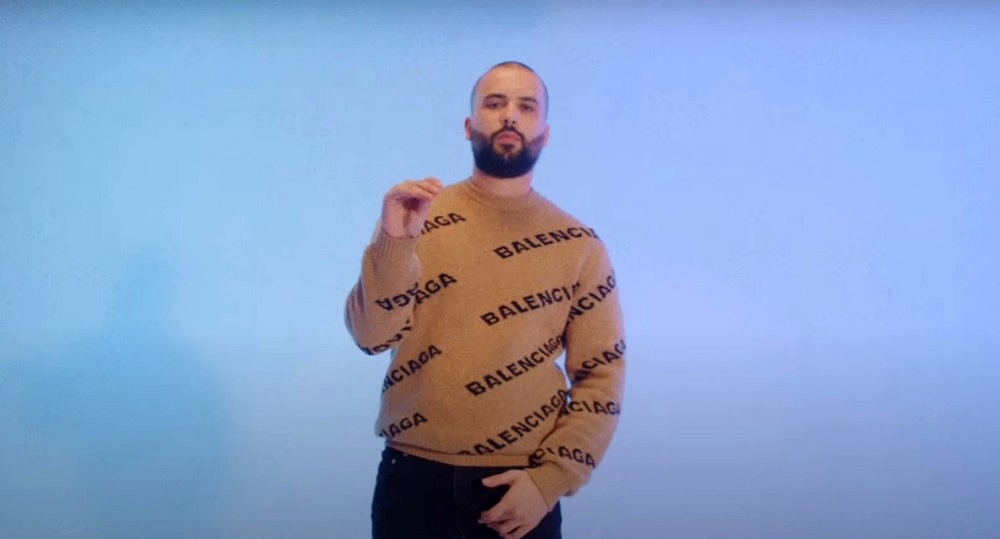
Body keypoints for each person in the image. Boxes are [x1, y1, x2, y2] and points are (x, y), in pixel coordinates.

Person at [345, 61, 626, 539]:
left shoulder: (579, 245)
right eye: (494, 104)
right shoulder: (414, 217)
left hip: (519, 490)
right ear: (468, 125)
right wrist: (394, 243)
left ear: (545, 133)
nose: (510, 115)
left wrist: (549, 481)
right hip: (410, 483)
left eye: (526, 107)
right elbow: (371, 337)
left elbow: (602, 376)